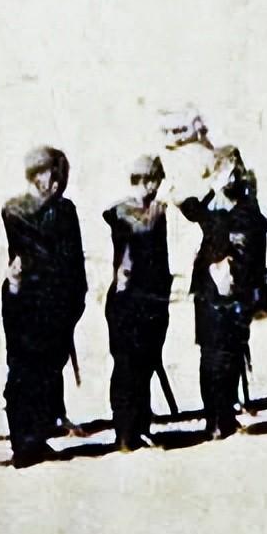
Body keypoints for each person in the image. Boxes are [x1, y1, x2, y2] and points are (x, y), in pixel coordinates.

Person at [1, 146, 87, 466]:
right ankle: (25, 445)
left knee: (42, 370)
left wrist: (74, 303)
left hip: (48, 301)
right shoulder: (23, 210)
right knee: (27, 371)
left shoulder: (59, 210)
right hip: (31, 300)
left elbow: (74, 263)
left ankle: (33, 440)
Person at [180, 146, 267, 440]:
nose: (231, 176)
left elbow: (257, 247)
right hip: (209, 289)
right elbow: (191, 210)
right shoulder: (209, 205)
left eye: (235, 170)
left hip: (238, 289)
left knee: (232, 353)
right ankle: (214, 419)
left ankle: (227, 416)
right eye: (226, 170)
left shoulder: (248, 206)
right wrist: (211, 188)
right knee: (212, 354)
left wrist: (258, 293)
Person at [103, 155, 172, 451]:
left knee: (145, 366)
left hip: (152, 302)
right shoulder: (121, 211)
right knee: (127, 368)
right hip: (126, 302)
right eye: (155, 181)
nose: (157, 188)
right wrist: (154, 213)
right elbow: (137, 231)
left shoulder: (155, 211)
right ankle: (124, 433)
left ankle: (141, 427)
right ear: (147, 180)